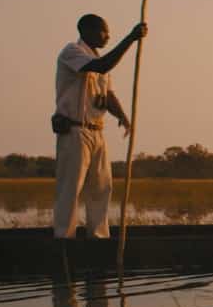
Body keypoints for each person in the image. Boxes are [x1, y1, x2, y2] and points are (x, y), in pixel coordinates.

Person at [53, 15, 148, 239]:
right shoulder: (72, 52)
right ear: (86, 30)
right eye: (103, 32)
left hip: (97, 130)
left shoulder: (97, 57)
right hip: (75, 130)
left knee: (101, 187)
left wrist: (123, 116)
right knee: (71, 189)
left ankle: (97, 236)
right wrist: (131, 38)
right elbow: (102, 67)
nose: (108, 36)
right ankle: (64, 238)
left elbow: (107, 93)